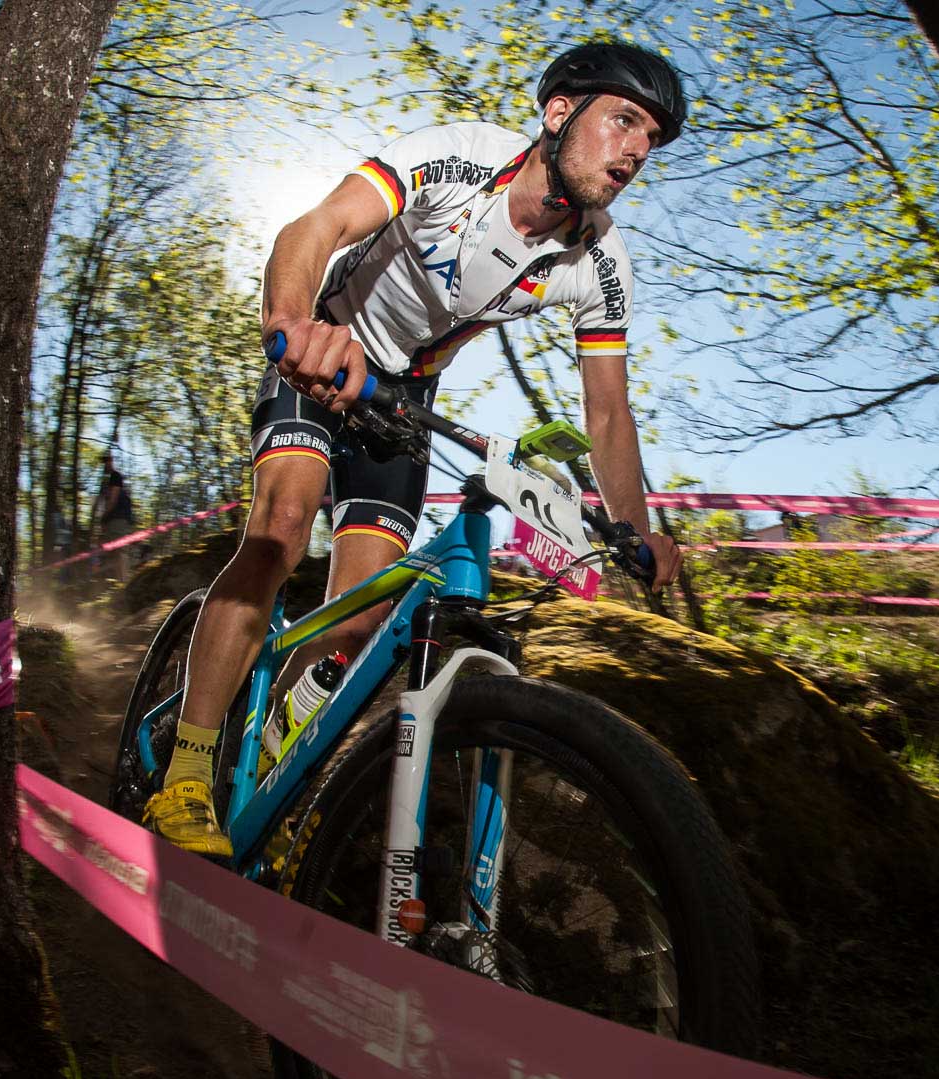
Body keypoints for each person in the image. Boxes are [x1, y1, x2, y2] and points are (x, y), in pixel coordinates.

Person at [140, 41, 688, 859]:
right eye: (625, 120)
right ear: (559, 112)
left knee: (363, 615)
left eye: (652, 138)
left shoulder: (600, 261)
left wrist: (634, 531)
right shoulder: (461, 157)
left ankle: (270, 776)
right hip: (326, 349)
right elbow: (316, 226)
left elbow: (607, 411)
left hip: (401, 402)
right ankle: (185, 771)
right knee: (282, 529)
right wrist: (292, 325)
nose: (638, 149)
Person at [89, 450, 135, 581]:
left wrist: (103, 517)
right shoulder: (105, 483)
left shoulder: (115, 476)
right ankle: (115, 581)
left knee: (120, 551)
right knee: (109, 552)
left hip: (119, 519)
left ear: (111, 461)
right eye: (103, 462)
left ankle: (124, 581)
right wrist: (102, 521)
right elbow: (102, 503)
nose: (105, 464)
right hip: (110, 521)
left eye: (107, 461)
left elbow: (113, 500)